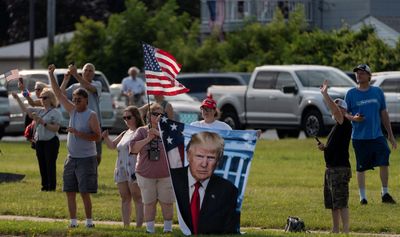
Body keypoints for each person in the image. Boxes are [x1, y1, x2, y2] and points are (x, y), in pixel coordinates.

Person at [48, 64, 101, 228]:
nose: (76, 101)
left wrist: (78, 133)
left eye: (79, 99)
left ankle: (89, 222)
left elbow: (97, 136)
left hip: (86, 159)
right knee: (69, 191)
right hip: (71, 158)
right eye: (75, 99)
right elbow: (58, 94)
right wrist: (51, 75)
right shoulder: (72, 110)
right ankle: (72, 222)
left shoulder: (91, 115)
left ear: (86, 100)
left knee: (84, 193)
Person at [345, 64, 397, 205]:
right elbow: (344, 113)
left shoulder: (377, 92)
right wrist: (354, 118)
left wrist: (390, 135)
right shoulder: (350, 93)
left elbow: (384, 113)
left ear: (369, 76)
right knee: (361, 167)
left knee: (384, 161)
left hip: (377, 135)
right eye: (357, 73)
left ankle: (385, 193)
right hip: (359, 137)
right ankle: (363, 197)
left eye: (362, 73)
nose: (358, 75)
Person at [170, 131, 240, 235]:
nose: (204, 164)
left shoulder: (228, 190)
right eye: (199, 156)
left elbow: (229, 230)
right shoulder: (172, 179)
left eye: (211, 158)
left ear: (218, 161)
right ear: (189, 156)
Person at [130, 103, 174, 234]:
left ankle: (168, 229)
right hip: (145, 174)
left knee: (167, 202)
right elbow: (133, 149)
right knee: (149, 203)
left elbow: (176, 148)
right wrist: (148, 138)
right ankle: (150, 229)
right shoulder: (141, 131)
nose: (159, 116)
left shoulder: (169, 130)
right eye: (155, 114)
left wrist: (159, 134)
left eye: (162, 114)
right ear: (149, 116)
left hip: (165, 174)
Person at [317, 80, 352, 233]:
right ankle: (335, 229)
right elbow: (335, 146)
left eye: (338, 107)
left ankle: (345, 231)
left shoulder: (344, 123)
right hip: (331, 168)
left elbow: (337, 112)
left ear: (344, 111)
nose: (334, 109)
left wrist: (325, 94)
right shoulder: (337, 126)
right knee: (332, 202)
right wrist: (325, 147)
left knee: (341, 202)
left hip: (339, 169)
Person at [102, 106, 144, 227]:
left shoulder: (141, 131)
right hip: (121, 168)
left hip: (133, 168)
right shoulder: (125, 132)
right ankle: (126, 225)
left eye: (128, 117)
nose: (126, 120)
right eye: (124, 117)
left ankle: (139, 226)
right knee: (125, 198)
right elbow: (112, 145)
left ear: (136, 117)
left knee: (137, 197)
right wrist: (105, 138)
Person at [12, 88, 61, 191]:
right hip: (40, 141)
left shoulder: (55, 112)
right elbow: (26, 110)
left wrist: (43, 122)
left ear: (51, 99)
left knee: (50, 165)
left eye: (44, 97)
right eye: (41, 97)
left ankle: (51, 187)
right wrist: (17, 98)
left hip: (51, 141)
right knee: (42, 164)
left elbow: (56, 128)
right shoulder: (40, 110)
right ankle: (44, 187)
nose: (42, 99)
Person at [61, 63, 103, 166]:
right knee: (79, 151)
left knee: (97, 155)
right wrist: (66, 80)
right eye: (86, 70)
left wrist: (75, 74)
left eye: (90, 71)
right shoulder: (75, 86)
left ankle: (93, 174)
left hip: (94, 122)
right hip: (79, 122)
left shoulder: (97, 84)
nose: (88, 72)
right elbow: (61, 95)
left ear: (94, 74)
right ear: (82, 72)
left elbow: (88, 87)